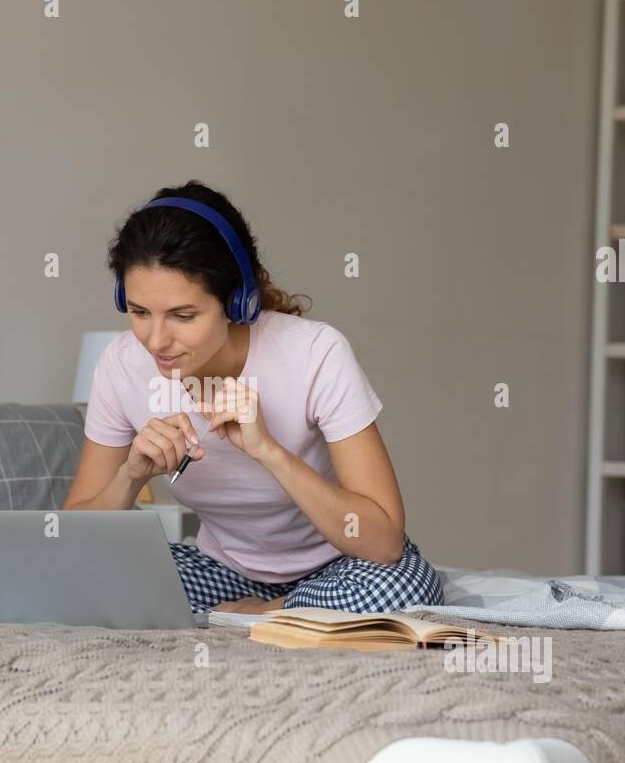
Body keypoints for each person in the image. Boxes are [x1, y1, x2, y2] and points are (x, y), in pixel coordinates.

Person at [64, 180, 443, 616]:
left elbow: (383, 540)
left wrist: (270, 452)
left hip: (341, 567)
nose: (156, 340)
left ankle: (266, 611)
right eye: (139, 312)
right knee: (80, 582)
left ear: (237, 301)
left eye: (183, 316)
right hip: (220, 571)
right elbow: (74, 543)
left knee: (399, 594)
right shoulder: (120, 366)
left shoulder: (316, 353)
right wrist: (129, 476)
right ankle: (277, 614)